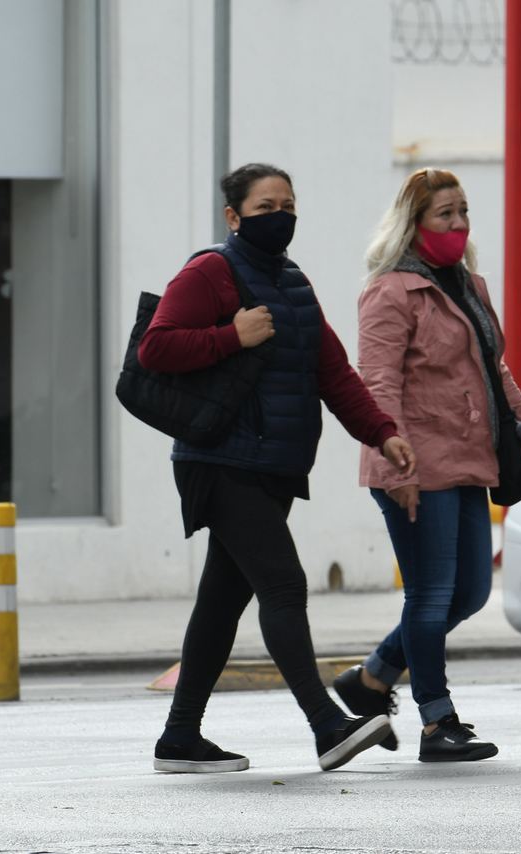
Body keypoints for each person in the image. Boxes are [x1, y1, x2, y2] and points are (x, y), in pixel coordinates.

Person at [138, 163, 418, 773]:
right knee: (284, 586)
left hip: (272, 464)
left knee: (220, 604)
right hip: (220, 460)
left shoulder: (292, 282)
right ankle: (326, 725)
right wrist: (229, 337)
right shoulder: (210, 271)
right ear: (233, 217)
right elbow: (154, 347)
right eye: (265, 206)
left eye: (288, 204)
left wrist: (382, 433)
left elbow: (334, 373)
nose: (280, 215)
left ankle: (180, 737)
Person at [333, 168, 521, 761]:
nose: (458, 224)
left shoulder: (467, 285)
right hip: (412, 462)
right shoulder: (390, 291)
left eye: (463, 212)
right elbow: (378, 383)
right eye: (444, 214)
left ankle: (373, 676)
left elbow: (493, 373)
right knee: (432, 596)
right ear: (414, 223)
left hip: (465, 457)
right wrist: (397, 463)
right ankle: (437, 723)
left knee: (470, 593)